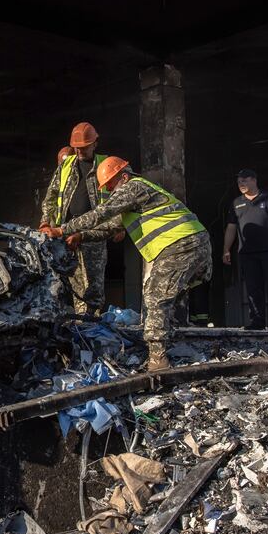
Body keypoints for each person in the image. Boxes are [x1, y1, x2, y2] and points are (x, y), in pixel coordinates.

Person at [55, 157, 211, 371]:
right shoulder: (137, 200)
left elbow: (101, 213)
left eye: (110, 185)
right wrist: (81, 237)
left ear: (124, 176)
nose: (110, 192)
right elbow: (109, 227)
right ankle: (170, 342)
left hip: (181, 244)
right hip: (193, 244)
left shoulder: (134, 187)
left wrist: (63, 229)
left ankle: (158, 359)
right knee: (168, 296)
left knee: (155, 296)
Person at [39, 122, 120, 315]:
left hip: (94, 233)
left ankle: (93, 320)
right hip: (66, 230)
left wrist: (118, 226)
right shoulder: (66, 166)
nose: (80, 151)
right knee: (73, 280)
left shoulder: (105, 165)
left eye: (84, 147)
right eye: (77, 147)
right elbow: (51, 196)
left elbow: (118, 199)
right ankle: (79, 321)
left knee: (94, 282)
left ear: (95, 143)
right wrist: (45, 221)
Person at [222, 168, 268, 330]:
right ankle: (257, 321)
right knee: (253, 289)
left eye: (245, 180)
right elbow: (231, 228)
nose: (241, 184)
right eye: (239, 181)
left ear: (254, 180)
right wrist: (226, 249)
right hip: (247, 253)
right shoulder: (236, 203)